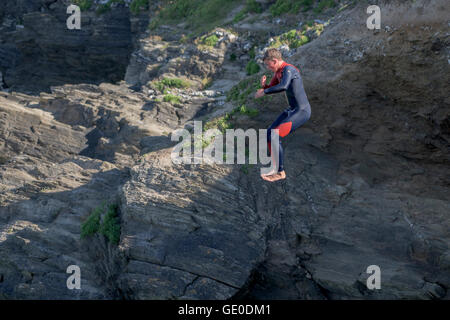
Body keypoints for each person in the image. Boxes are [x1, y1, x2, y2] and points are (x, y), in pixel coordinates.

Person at [254, 48, 311, 182]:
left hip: (301, 111)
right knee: (268, 134)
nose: (268, 68)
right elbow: (272, 87)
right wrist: (264, 86)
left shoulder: (288, 70)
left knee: (275, 135)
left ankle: (280, 172)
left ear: (275, 61)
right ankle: (275, 168)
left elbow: (283, 86)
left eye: (268, 65)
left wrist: (264, 92)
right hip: (292, 110)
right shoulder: (278, 72)